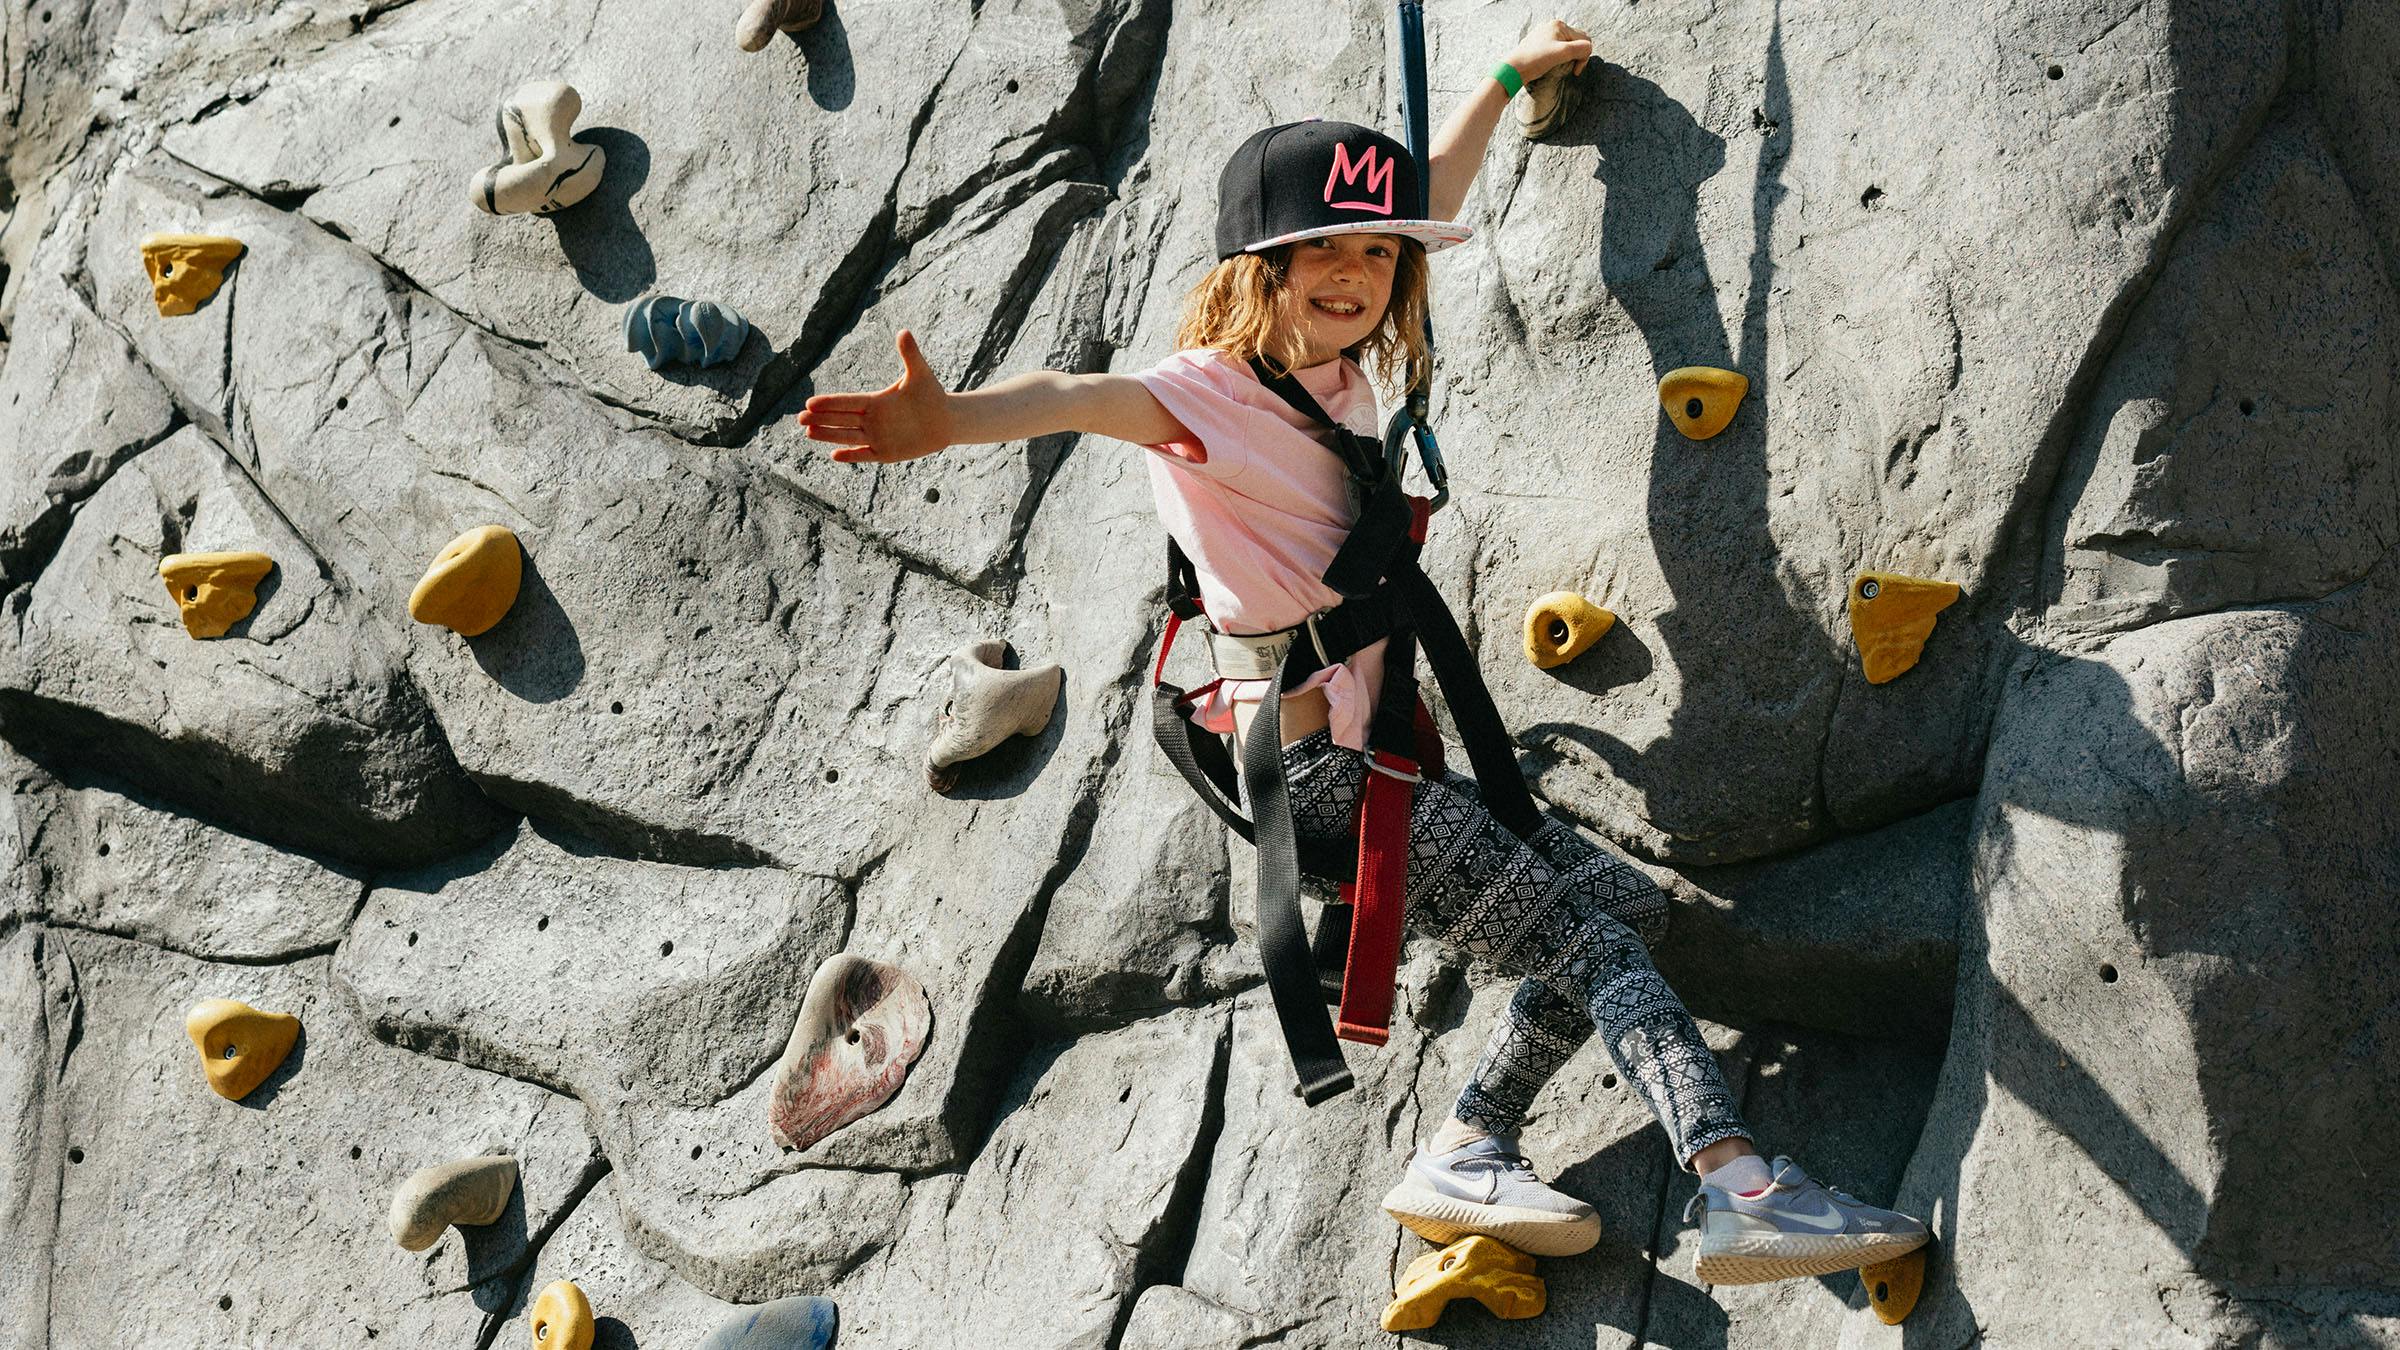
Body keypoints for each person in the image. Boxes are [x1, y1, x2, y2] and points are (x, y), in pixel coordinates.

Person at [796, 20, 1929, 1288]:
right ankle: (1741, 1185)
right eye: (1318, 251)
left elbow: (1422, 200)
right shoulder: (1207, 395)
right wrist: (952, 421)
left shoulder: (1346, 362)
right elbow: (1078, 393)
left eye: (1374, 256)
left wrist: (1503, 85)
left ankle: (1468, 1149)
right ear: (1257, 265)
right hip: (1322, 780)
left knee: (1622, 913)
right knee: (1599, 949)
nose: (1352, 274)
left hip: (1384, 756)